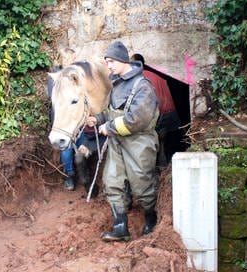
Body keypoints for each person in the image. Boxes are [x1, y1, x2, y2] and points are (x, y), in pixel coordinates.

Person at [87, 41, 160, 242]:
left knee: (141, 183)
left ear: (122, 60)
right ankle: (120, 227)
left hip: (139, 142)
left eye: (110, 61)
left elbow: (136, 120)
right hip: (117, 143)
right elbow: (111, 111)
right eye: (106, 62)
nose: (108, 66)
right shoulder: (117, 84)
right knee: (112, 181)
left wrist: (108, 128)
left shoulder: (143, 87)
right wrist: (99, 119)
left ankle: (151, 219)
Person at [130, 53, 181, 167]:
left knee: (147, 142)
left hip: (153, 116)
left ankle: (151, 166)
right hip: (168, 113)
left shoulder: (137, 79)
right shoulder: (159, 77)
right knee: (163, 141)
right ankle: (164, 164)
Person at [47, 47, 82, 191]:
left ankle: (83, 173)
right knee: (66, 149)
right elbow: (53, 97)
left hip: (76, 118)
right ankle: (69, 175)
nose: (71, 60)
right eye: (68, 57)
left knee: (80, 145)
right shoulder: (56, 76)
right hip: (62, 120)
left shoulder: (77, 74)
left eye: (72, 57)